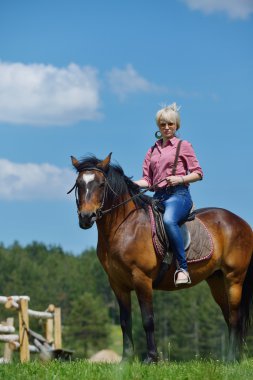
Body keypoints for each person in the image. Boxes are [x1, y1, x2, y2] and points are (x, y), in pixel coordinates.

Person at [134, 103, 203, 286]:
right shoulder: (152, 150)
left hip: (179, 195)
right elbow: (147, 181)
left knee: (168, 221)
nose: (166, 128)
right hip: (157, 197)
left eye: (170, 124)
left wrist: (180, 179)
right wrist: (130, 184)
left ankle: (183, 269)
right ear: (158, 126)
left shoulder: (184, 145)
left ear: (176, 126)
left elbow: (198, 173)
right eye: (163, 124)